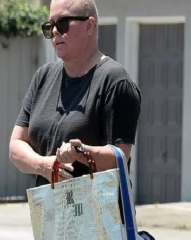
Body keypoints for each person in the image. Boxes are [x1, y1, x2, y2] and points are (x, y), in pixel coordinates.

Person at [9, 0, 141, 188]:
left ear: (89, 26)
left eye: (62, 23)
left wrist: (82, 153)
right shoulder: (43, 77)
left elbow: (120, 157)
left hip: (99, 214)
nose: (54, 31)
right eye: (50, 25)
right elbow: (16, 145)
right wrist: (45, 165)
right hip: (50, 213)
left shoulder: (115, 81)